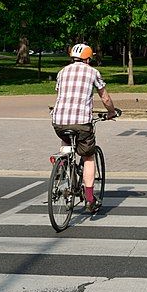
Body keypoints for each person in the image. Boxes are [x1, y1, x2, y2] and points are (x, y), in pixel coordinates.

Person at [51, 43, 117, 213]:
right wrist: (111, 112)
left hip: (59, 121)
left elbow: (60, 95)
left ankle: (62, 165)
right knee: (88, 156)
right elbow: (105, 97)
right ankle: (89, 198)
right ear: (88, 58)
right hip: (81, 123)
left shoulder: (62, 72)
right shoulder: (92, 72)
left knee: (66, 140)